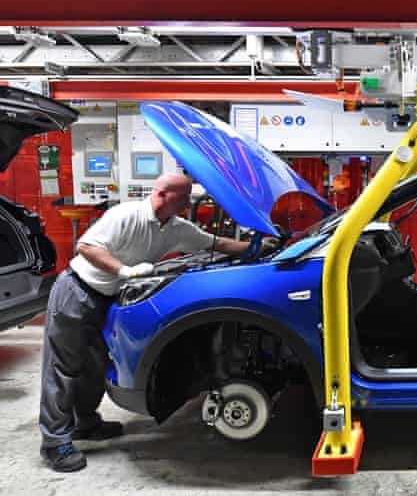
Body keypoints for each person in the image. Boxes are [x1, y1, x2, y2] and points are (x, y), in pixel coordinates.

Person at [39, 173, 274, 472]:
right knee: (63, 368)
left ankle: (85, 422)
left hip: (108, 299)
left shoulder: (175, 228)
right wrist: (124, 271)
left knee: (96, 364)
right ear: (163, 194)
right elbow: (86, 247)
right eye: (184, 196)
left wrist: (261, 247)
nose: (188, 202)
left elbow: (217, 244)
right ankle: (54, 442)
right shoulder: (126, 215)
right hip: (77, 292)